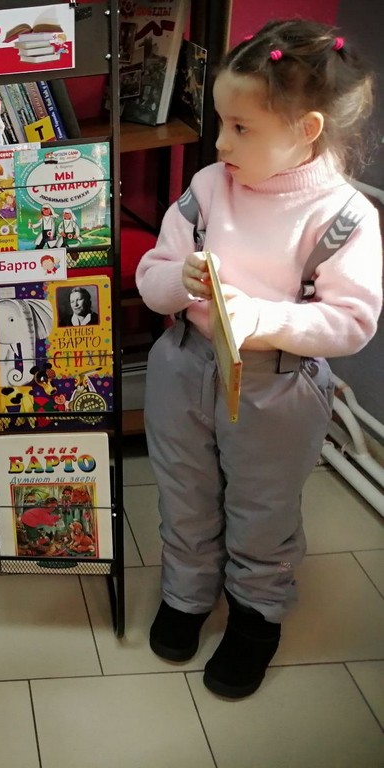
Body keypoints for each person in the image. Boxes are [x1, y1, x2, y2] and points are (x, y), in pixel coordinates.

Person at [136, 19, 381, 699]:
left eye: (241, 127)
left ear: (305, 130)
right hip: (184, 365)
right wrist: (177, 278)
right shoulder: (211, 186)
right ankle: (186, 593)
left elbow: (351, 321)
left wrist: (265, 320)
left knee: (263, 510)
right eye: (221, 122)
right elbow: (152, 275)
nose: (220, 142)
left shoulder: (344, 216)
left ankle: (256, 614)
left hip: (278, 387)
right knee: (184, 493)